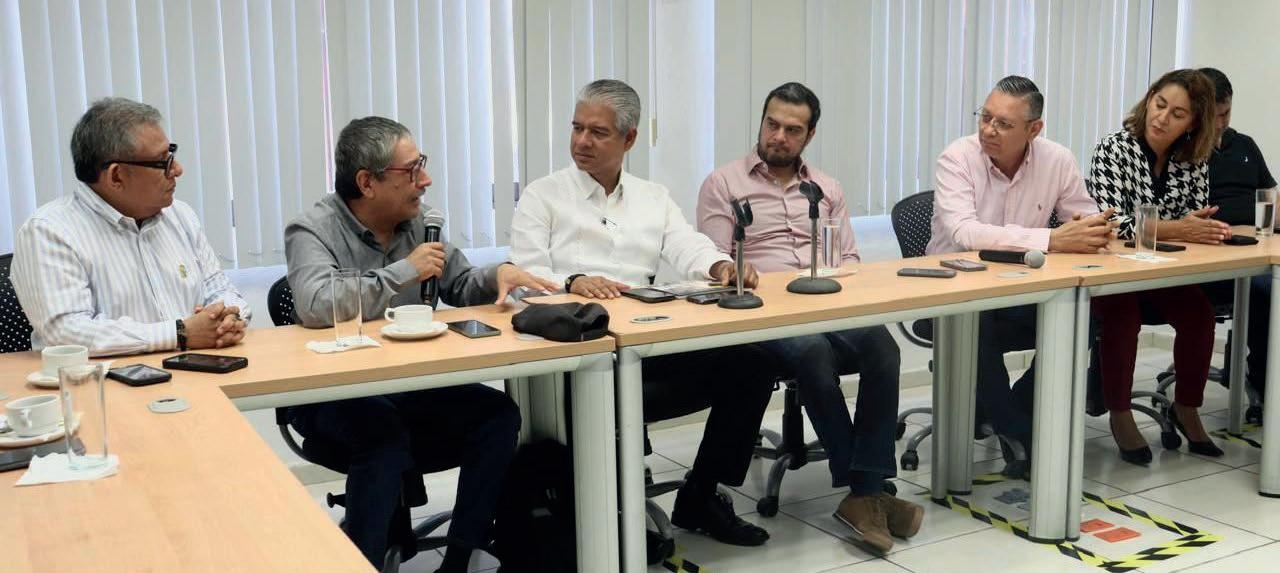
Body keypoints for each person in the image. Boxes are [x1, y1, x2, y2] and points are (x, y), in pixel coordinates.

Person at [510, 79, 775, 547]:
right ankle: (607, 514)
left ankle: (702, 494)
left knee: (752, 364)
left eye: (597, 132)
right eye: (576, 128)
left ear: (629, 139)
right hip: (583, 354)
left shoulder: (652, 196)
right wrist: (572, 282)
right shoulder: (542, 195)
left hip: (644, 344)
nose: (581, 141)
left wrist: (720, 265)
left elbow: (686, 244)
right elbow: (524, 278)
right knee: (601, 390)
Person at [284, 116, 556, 571]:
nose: (425, 180)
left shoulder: (417, 221)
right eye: (411, 171)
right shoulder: (311, 229)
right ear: (367, 182)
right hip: (333, 391)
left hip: (409, 383)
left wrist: (497, 275)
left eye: (421, 165)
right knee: (382, 436)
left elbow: (460, 283)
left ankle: (461, 557)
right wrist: (405, 271)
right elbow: (316, 304)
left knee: (498, 415)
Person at [697, 82, 922, 554]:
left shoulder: (825, 188)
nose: (779, 136)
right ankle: (867, 491)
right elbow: (711, 261)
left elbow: (850, 257)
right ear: (762, 121)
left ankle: (865, 491)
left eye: (792, 129)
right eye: (772, 124)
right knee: (813, 352)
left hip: (826, 300)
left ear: (810, 135)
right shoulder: (724, 184)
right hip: (767, 313)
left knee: (883, 346)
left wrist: (846, 284)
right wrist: (731, 269)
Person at [928, 76, 1110, 474]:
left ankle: (1013, 409)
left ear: (1034, 129)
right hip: (955, 290)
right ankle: (1016, 431)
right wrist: (1051, 238)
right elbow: (965, 233)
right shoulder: (957, 158)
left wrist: (1094, 228)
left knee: (1082, 319)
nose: (989, 130)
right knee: (975, 322)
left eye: (1004, 123)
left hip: (1019, 288)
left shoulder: (1057, 160)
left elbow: (1083, 216)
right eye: (985, 117)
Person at [12, 97, 248, 356]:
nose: (178, 169)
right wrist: (179, 333)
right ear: (117, 176)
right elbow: (67, 332)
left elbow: (220, 290)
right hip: (104, 378)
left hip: (199, 367)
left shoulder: (181, 216)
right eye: (163, 162)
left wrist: (229, 318)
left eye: (172, 154)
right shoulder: (49, 232)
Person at [1088, 69, 1226, 464]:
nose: (1162, 118)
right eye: (1159, 104)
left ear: (1193, 123)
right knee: (1122, 317)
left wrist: (1185, 228)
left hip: (1162, 269)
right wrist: (1177, 227)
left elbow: (1194, 220)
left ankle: (1186, 407)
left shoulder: (1194, 158)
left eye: (1177, 114)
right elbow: (1113, 223)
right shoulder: (1113, 149)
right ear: (1148, 99)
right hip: (1113, 270)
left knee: (1199, 315)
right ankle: (1119, 413)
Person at [1199, 67, 1276, 407]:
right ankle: (1262, 388)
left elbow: (1269, 199)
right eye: (1213, 116)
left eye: (1226, 113)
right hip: (1213, 257)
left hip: (1256, 247)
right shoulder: (1184, 151)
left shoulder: (1244, 145)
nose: (1220, 123)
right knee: (1268, 291)